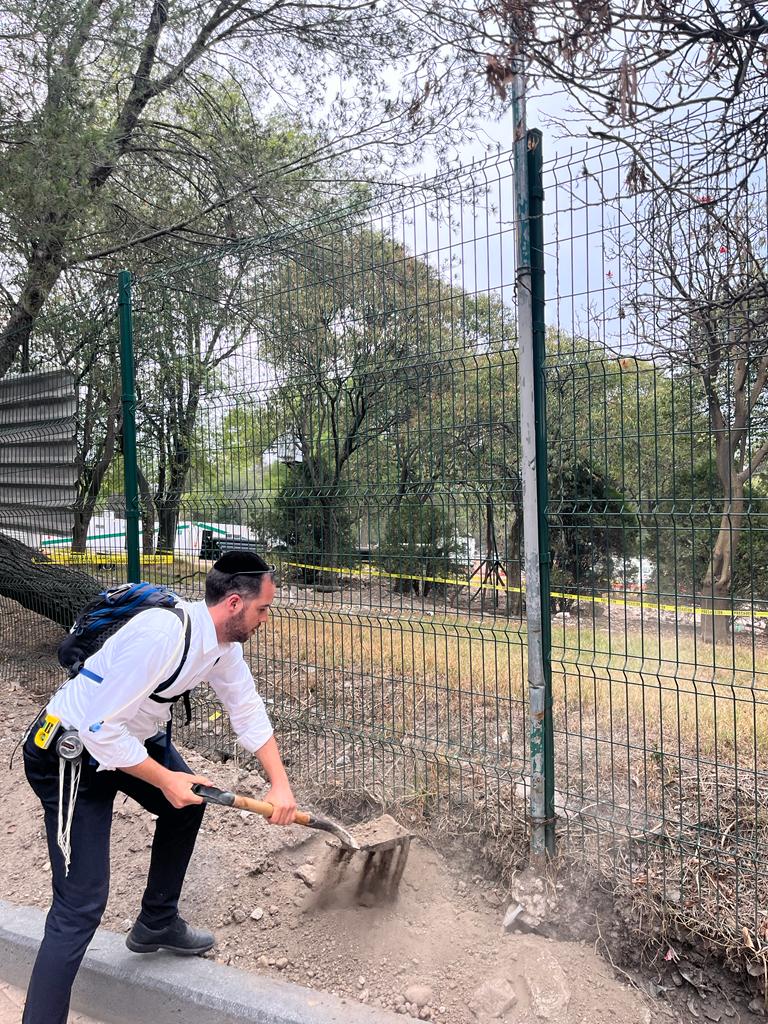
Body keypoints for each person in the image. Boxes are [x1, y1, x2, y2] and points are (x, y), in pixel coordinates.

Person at [21, 551, 296, 1024]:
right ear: (234, 603)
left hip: (126, 741)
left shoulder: (222, 648)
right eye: (263, 609)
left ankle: (156, 922)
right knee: (79, 907)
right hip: (69, 754)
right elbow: (96, 728)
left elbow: (246, 709)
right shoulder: (161, 635)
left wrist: (281, 786)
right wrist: (166, 778)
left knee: (190, 803)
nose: (265, 619)